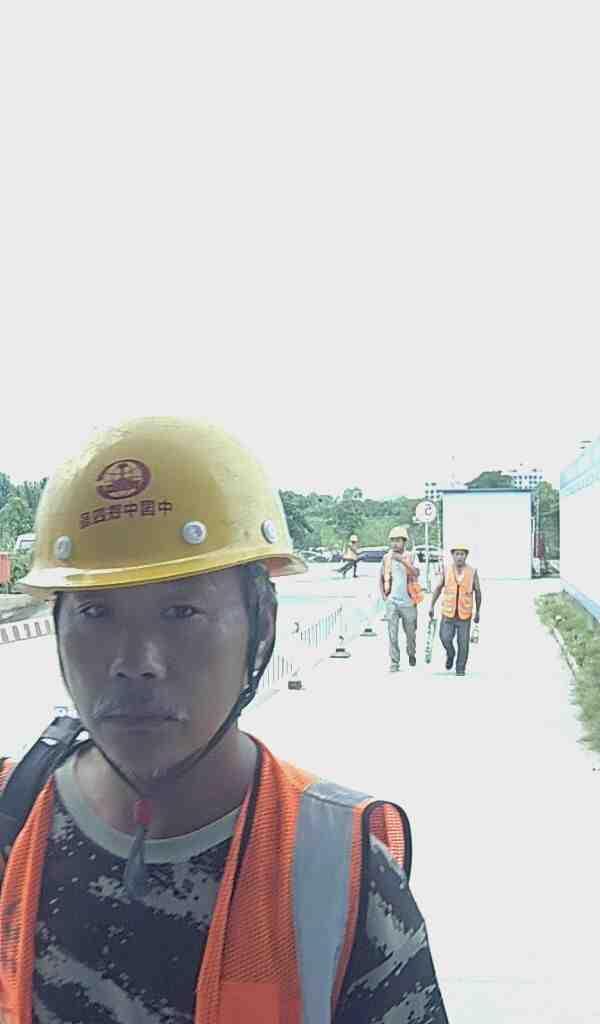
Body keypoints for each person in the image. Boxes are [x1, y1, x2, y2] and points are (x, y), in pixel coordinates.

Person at [0, 418, 448, 1023]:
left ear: (261, 627)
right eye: (97, 612)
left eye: (181, 611)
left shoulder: (341, 868)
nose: (135, 663)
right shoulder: (13, 818)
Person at [429, 543, 482, 676]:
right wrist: (432, 606)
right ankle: (450, 653)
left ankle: (460, 668)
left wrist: (478, 611)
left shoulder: (472, 572)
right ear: (452, 555)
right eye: (457, 554)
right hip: (448, 612)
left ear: (466, 556)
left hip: (465, 613)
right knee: (444, 638)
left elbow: (478, 592)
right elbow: (438, 588)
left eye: (462, 554)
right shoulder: (446, 570)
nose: (459, 557)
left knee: (463, 643)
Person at [379, 525, 423, 672]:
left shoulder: (412, 556)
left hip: (409, 602)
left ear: (404, 542)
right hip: (392, 601)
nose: (395, 544)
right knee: (392, 634)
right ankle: (394, 662)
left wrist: (403, 561)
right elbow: (381, 577)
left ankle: (411, 652)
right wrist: (384, 596)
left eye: (398, 540)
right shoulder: (386, 558)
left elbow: (416, 573)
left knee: (410, 633)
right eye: (392, 540)